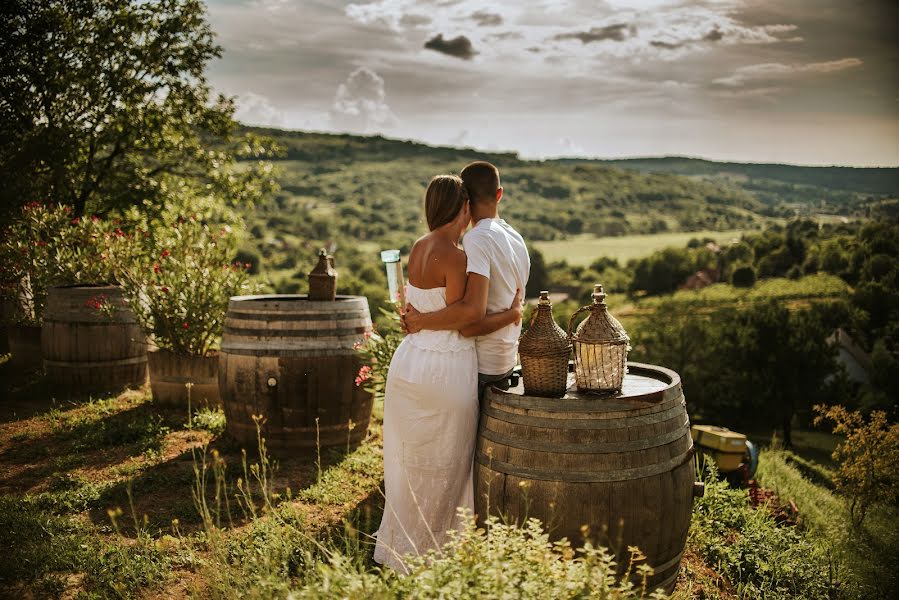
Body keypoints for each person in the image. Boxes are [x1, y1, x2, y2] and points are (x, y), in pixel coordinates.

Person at [372, 174, 523, 573]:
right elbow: (467, 318)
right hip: (444, 367)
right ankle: (437, 553)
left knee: (412, 458)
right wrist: (513, 313)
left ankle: (401, 544)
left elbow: (416, 306)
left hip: (408, 363)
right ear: (464, 207)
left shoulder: (419, 247)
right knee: (449, 461)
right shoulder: (457, 257)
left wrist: (418, 320)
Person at [403, 161, 531, 401]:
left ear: (465, 202)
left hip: (480, 364)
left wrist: (420, 319)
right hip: (506, 357)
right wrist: (514, 314)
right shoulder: (516, 238)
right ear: (499, 194)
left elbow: (469, 322)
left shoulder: (476, 239)